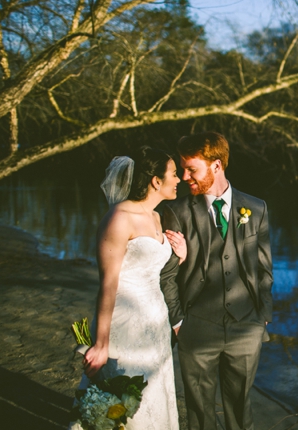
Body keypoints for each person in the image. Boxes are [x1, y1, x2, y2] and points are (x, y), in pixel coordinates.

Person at [159, 131, 273, 430]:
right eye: (183, 170)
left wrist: (263, 318)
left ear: (217, 166)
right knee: (199, 415)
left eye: (191, 169)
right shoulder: (176, 211)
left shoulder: (256, 208)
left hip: (246, 327)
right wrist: (178, 321)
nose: (184, 177)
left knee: (240, 411)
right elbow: (167, 274)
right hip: (195, 327)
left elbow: (264, 270)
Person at [71, 146, 187, 430]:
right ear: (156, 181)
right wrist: (101, 344)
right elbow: (108, 284)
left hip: (156, 324)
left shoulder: (158, 217)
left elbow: (155, 270)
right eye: (173, 174)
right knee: (126, 400)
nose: (179, 179)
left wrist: (180, 256)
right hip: (126, 324)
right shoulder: (119, 219)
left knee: (155, 394)